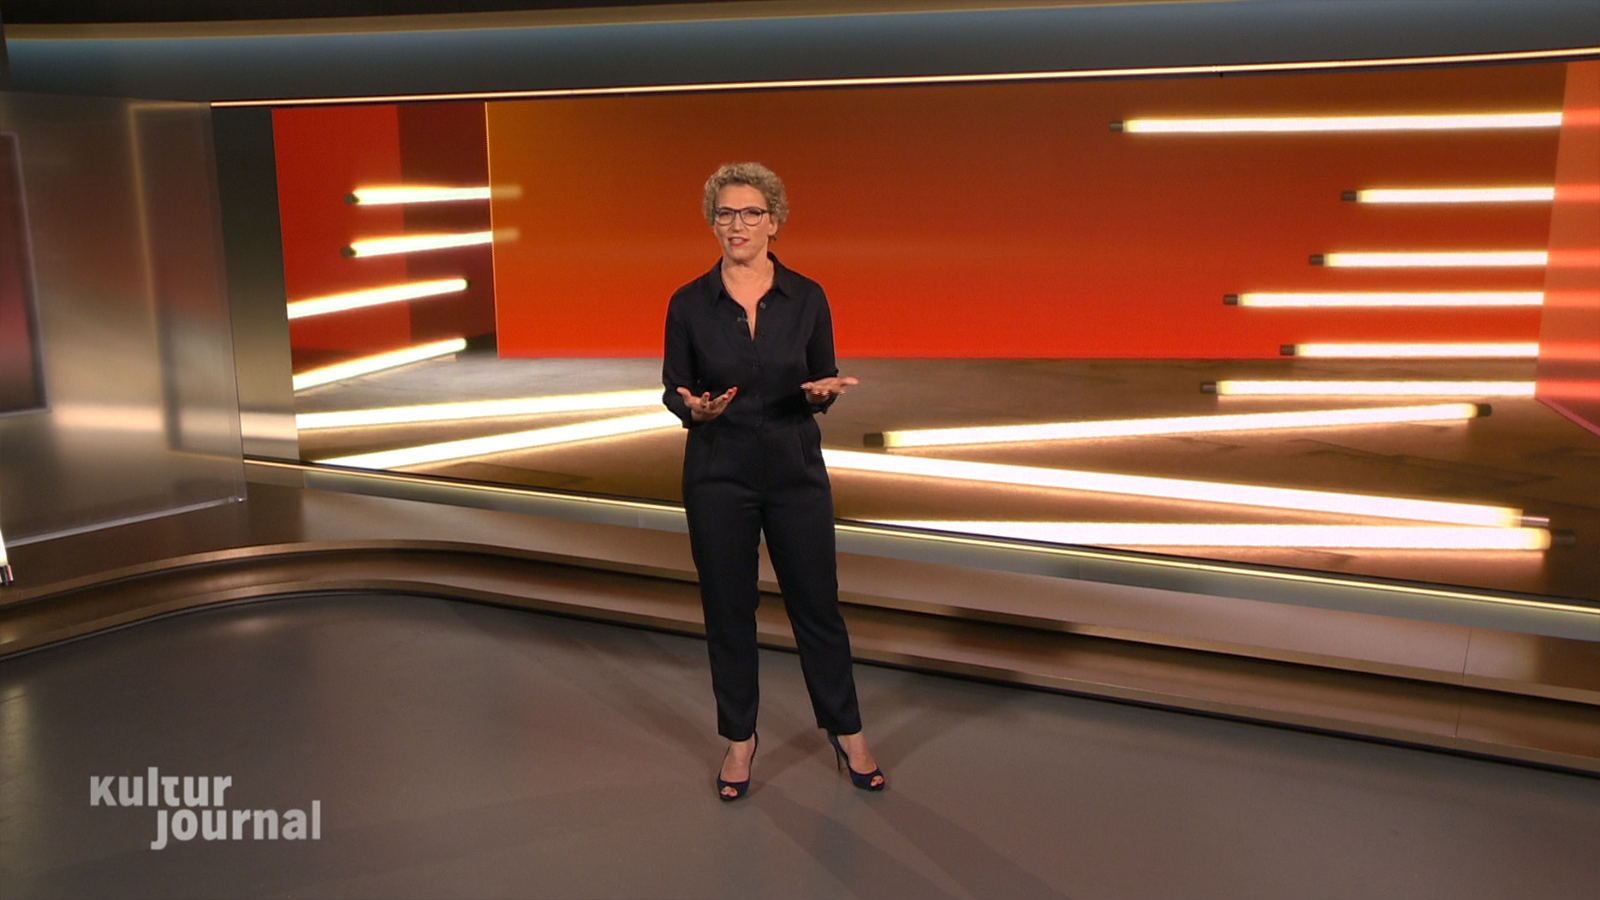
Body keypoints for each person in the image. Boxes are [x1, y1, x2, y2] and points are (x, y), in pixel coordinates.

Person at [662, 162, 884, 801]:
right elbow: (675, 387)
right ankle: (739, 738)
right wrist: (694, 409)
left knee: (818, 606)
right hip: (717, 474)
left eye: (751, 213)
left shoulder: (808, 297)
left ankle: (847, 731)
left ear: (774, 222)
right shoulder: (687, 302)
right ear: (713, 223)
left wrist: (820, 394)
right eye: (726, 213)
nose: (738, 224)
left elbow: (823, 375)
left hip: (794, 472)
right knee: (728, 611)